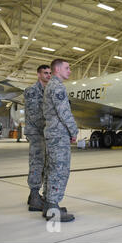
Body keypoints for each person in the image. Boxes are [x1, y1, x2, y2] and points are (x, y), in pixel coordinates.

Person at [43, 59, 78, 222]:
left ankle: (50, 205)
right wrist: (74, 130)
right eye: (67, 68)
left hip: (52, 133)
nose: (70, 71)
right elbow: (64, 112)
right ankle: (52, 208)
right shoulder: (57, 86)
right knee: (59, 170)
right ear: (57, 69)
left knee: (52, 169)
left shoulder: (51, 85)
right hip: (58, 135)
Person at [24, 64, 51, 211]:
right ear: (38, 74)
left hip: (44, 132)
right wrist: (50, 125)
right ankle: (34, 197)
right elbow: (34, 115)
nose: (48, 75)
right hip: (36, 132)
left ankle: (33, 195)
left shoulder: (48, 91)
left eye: (49, 73)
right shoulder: (32, 91)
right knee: (37, 163)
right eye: (45, 73)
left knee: (43, 163)